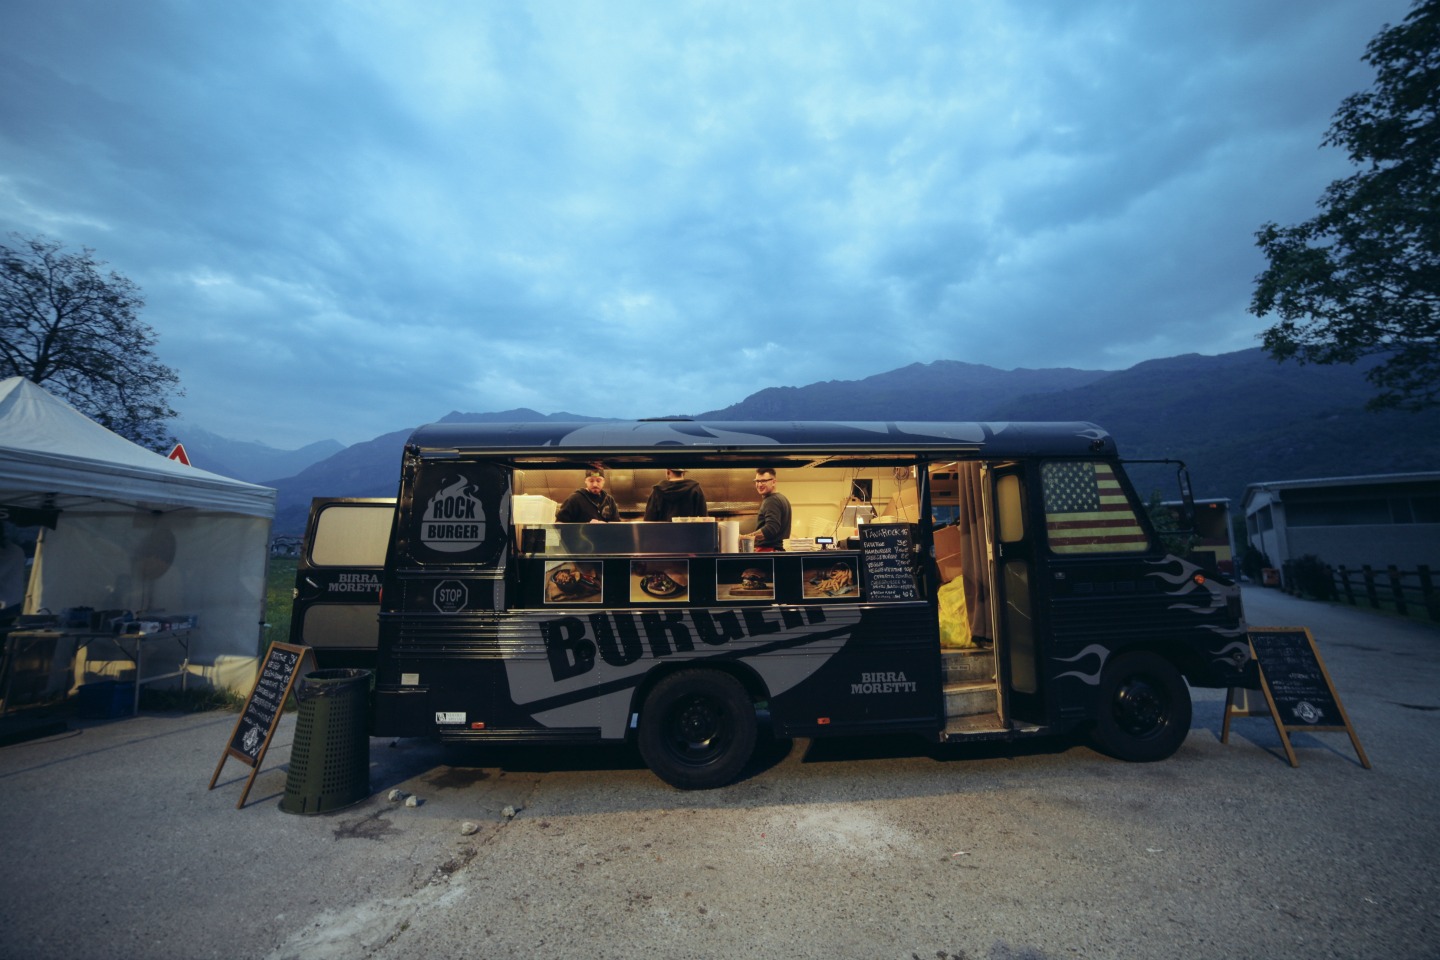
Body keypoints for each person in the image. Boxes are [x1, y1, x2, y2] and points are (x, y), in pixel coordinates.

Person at [748, 468, 791, 550]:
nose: (759, 485)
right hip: (776, 550)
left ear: (773, 482)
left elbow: (771, 528)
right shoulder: (781, 498)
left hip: (769, 550)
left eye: (763, 481)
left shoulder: (771, 500)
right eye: (757, 481)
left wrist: (748, 538)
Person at [643, 468, 708, 521]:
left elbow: (648, 520)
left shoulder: (657, 491)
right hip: (688, 532)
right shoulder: (695, 489)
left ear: (668, 472)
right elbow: (703, 518)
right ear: (683, 473)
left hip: (662, 532)